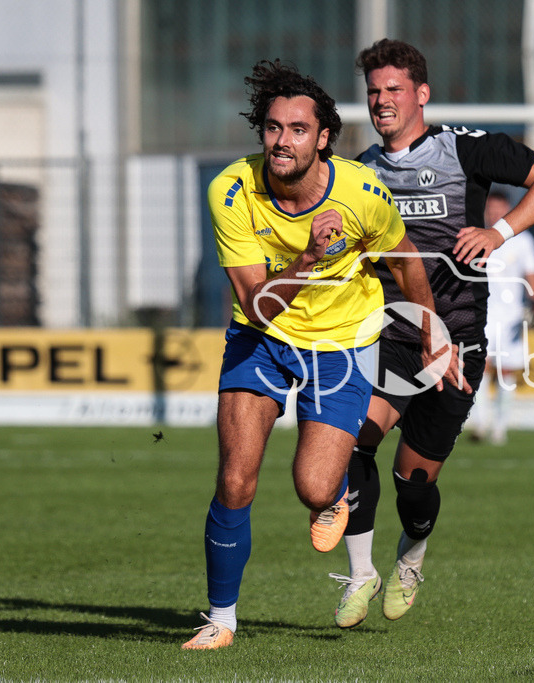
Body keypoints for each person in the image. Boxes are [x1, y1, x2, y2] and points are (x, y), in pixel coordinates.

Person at [183, 59, 459, 650]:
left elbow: (407, 259)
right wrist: (307, 261)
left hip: (341, 344)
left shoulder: (362, 193)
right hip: (261, 338)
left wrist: (433, 329)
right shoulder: (231, 190)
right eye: (273, 128)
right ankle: (220, 619)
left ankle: (329, 497)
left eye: (299, 129)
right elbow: (257, 308)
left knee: (313, 488)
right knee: (235, 479)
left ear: (324, 137)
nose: (284, 141)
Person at [329, 38, 534, 629]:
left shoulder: (467, 150)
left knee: (413, 482)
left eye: (393, 89)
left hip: (457, 340)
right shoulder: (359, 173)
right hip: (388, 335)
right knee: (353, 440)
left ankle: (411, 555)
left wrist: (501, 231)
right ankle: (361, 574)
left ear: (421, 94)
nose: (382, 101)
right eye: (374, 91)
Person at [470, 190, 534, 445]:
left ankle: (500, 428)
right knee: (481, 368)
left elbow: (533, 277)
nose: (494, 214)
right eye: (490, 209)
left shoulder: (523, 240)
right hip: (483, 315)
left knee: (506, 371)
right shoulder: (477, 236)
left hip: (512, 317)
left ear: (510, 210)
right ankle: (480, 423)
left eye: (499, 209)